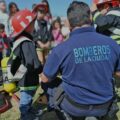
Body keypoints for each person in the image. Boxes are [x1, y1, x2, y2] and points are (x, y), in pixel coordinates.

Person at [40, 1, 120, 120]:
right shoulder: (112, 44)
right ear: (90, 17)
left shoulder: (60, 49)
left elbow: (45, 78)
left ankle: (61, 113)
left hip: (75, 107)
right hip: (104, 106)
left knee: (46, 82)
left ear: (69, 22)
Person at [10, 9, 43, 120]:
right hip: (27, 78)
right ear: (26, 26)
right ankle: (25, 115)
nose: (34, 24)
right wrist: (40, 69)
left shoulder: (20, 40)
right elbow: (31, 61)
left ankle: (29, 110)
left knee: (28, 96)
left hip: (24, 77)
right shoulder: (26, 42)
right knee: (26, 98)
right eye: (32, 23)